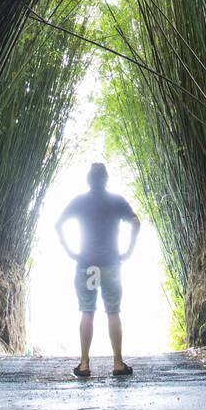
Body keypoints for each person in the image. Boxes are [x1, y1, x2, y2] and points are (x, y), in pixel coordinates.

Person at [55, 162, 140, 378]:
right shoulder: (116, 201)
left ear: (88, 180)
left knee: (87, 311)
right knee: (113, 312)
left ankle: (84, 365)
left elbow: (59, 225)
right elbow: (135, 222)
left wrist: (70, 251)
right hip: (111, 264)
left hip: (87, 265)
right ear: (106, 179)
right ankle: (118, 364)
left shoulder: (79, 201)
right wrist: (128, 250)